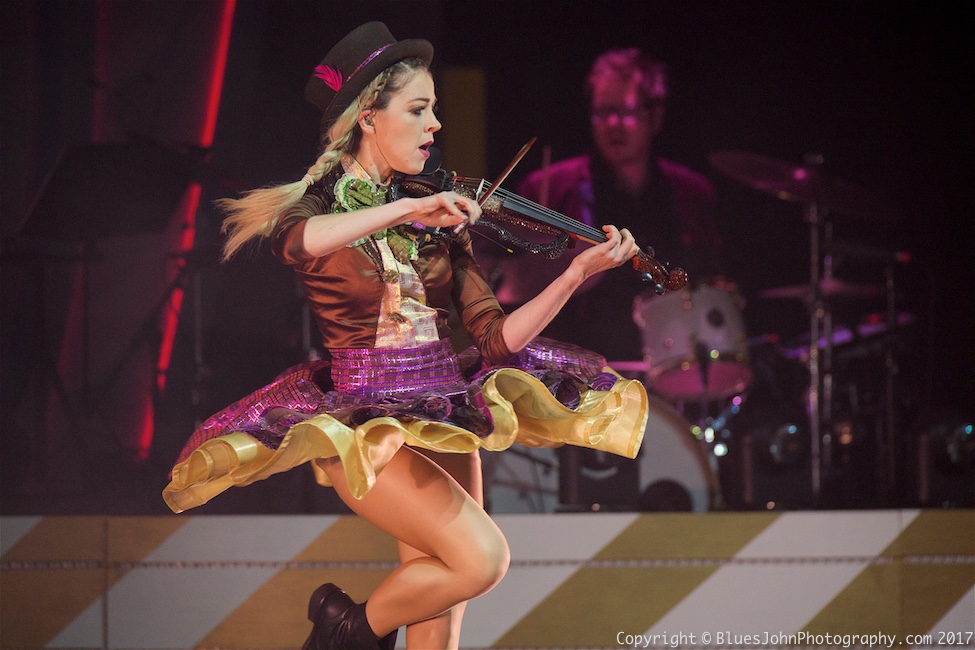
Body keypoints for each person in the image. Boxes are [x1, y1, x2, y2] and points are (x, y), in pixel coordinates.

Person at [161, 23, 649, 650]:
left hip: (445, 408)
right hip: (361, 420)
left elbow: (497, 340)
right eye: (419, 110)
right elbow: (298, 244)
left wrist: (576, 273)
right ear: (369, 118)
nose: (435, 126)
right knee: (482, 561)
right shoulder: (325, 204)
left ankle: (349, 630)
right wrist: (406, 210)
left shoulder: (439, 217)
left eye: (435, 111)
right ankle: (348, 629)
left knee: (440, 623)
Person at [490, 48, 724, 363]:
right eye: (602, 112)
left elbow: (711, 279)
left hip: (671, 361)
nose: (613, 124)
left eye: (625, 112)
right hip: (574, 363)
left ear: (654, 117)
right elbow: (517, 278)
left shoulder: (692, 192)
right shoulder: (548, 186)